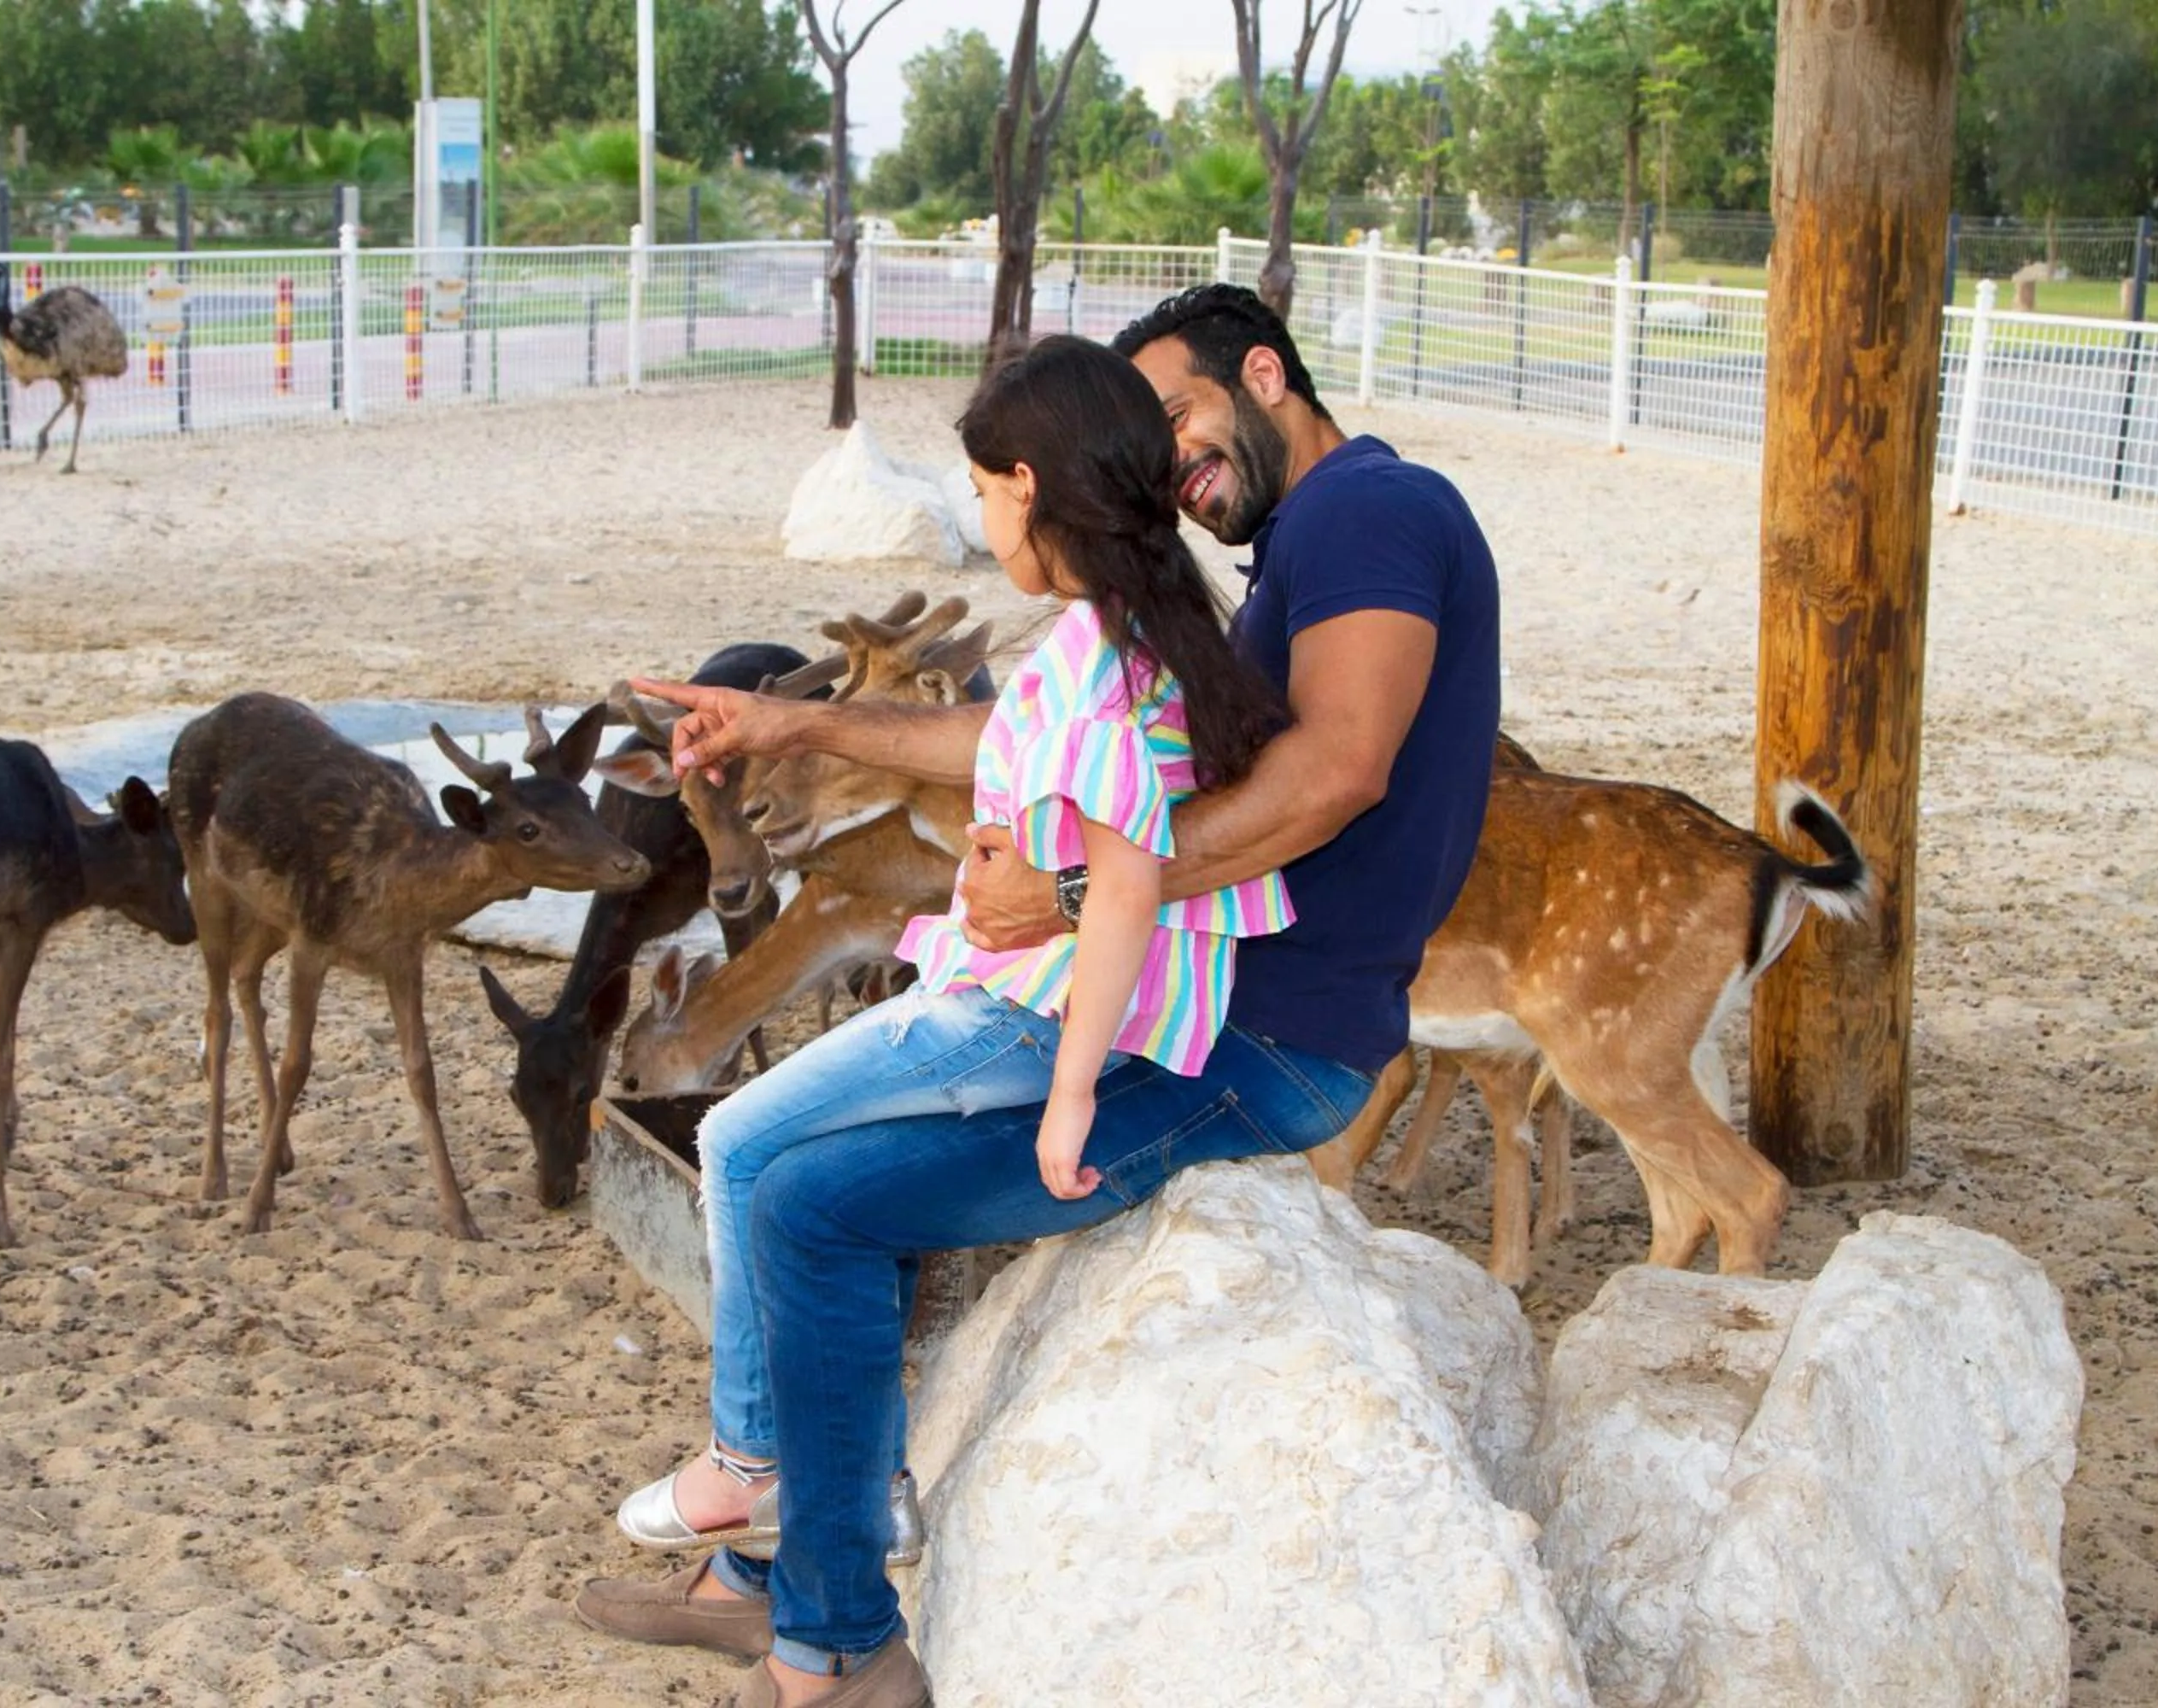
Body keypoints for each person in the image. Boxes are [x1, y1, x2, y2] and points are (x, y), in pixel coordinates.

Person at [580, 284, 1501, 1708]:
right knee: (789, 1175)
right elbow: (1029, 729)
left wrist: (1064, 898)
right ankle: (778, 1590)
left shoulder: (1369, 513)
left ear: (1267, 373)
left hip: (1247, 1039)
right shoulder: (1266, 565)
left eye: (1182, 415)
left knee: (811, 1198)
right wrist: (799, 717)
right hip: (1187, 1009)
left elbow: (1339, 773)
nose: (1174, 460)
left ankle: (826, 1640)